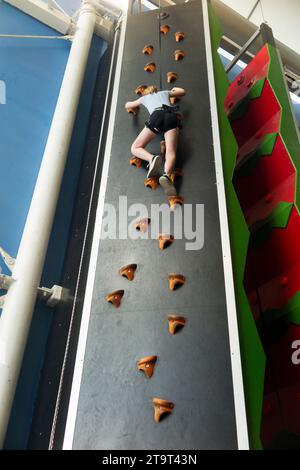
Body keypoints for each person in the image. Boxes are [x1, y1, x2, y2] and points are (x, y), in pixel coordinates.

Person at [125, 85, 186, 196]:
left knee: (135, 147)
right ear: (156, 90)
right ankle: (167, 175)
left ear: (145, 92)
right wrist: (173, 89)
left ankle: (151, 158)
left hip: (156, 116)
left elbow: (127, 105)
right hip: (171, 116)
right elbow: (182, 92)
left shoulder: (144, 98)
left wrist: (133, 107)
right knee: (171, 152)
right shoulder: (164, 92)